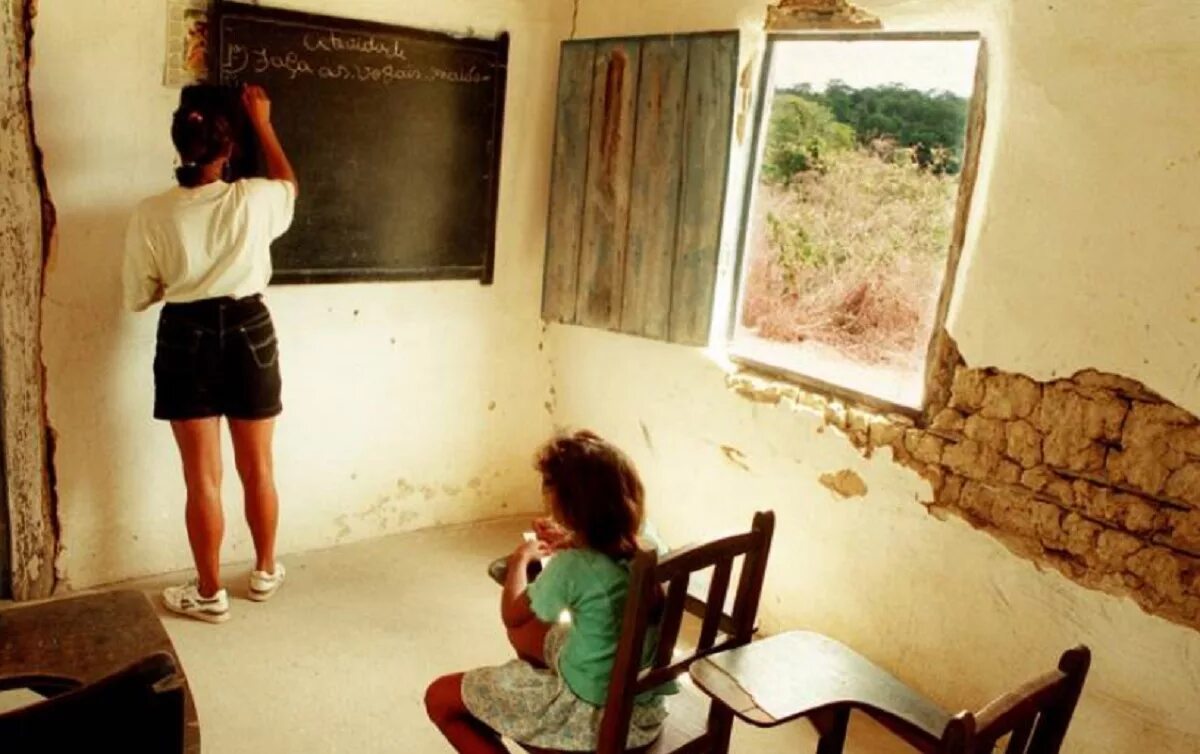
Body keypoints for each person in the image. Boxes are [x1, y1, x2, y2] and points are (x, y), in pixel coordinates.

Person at [123, 83, 297, 624]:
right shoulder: (254, 197)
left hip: (185, 334)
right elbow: (289, 183)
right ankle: (265, 571)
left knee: (202, 478)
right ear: (228, 152)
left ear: (179, 148)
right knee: (259, 467)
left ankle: (208, 592)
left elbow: (138, 295)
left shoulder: (152, 213)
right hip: (250, 327)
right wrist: (264, 123)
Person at [426, 430, 676, 753]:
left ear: (570, 509)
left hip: (594, 717)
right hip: (642, 706)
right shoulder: (649, 542)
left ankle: (529, 706)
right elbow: (609, 548)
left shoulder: (573, 567)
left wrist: (521, 558)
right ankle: (524, 689)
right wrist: (575, 538)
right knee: (534, 634)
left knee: (439, 697)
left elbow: (513, 614)